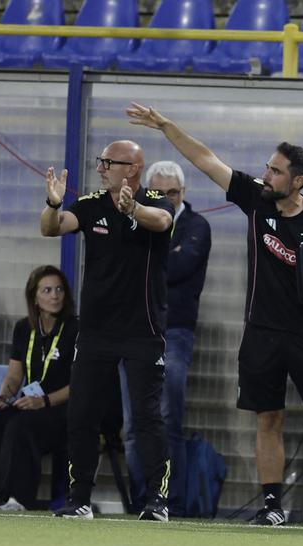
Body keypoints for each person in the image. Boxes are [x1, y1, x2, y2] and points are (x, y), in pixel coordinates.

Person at [126, 103, 303, 528]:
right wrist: (165, 125)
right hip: (259, 333)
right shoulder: (256, 198)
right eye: (267, 168)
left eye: (276, 171)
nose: (266, 175)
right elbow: (205, 159)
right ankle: (272, 506)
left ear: (298, 181)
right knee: (267, 417)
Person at [41, 140, 174, 520]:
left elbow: (161, 222)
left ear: (132, 168)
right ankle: (79, 499)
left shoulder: (157, 200)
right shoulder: (91, 204)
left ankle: (157, 500)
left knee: (146, 418)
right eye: (99, 161)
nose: (100, 167)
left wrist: (132, 209)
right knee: (82, 414)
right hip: (96, 331)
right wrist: (53, 204)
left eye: (107, 162)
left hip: (143, 330)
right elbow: (51, 228)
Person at [121, 160, 211, 516]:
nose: (167, 198)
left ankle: (170, 504)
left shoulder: (196, 226)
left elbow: (179, 266)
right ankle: (141, 502)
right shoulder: (135, 219)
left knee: (168, 419)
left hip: (174, 331)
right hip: (134, 330)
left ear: (183, 192)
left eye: (172, 193)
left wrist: (148, 261)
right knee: (132, 425)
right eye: (158, 192)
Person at [0, 266, 78, 511]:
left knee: (21, 425)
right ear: (34, 298)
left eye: (59, 289)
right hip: (32, 405)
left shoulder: (76, 329)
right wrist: (4, 394)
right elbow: (15, 375)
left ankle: (15, 499)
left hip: (64, 409)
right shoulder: (24, 328)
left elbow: (81, 385)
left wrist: (44, 401)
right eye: (47, 290)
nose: (55, 295)